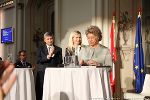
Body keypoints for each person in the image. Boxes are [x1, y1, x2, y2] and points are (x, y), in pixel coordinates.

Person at [36, 32, 63, 100]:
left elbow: (60, 62)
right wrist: (48, 56)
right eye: (48, 39)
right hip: (42, 73)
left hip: (54, 73)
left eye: (51, 38)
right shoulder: (40, 49)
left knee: (54, 89)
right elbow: (38, 60)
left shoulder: (58, 49)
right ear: (44, 40)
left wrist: (54, 55)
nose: (50, 40)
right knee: (41, 90)